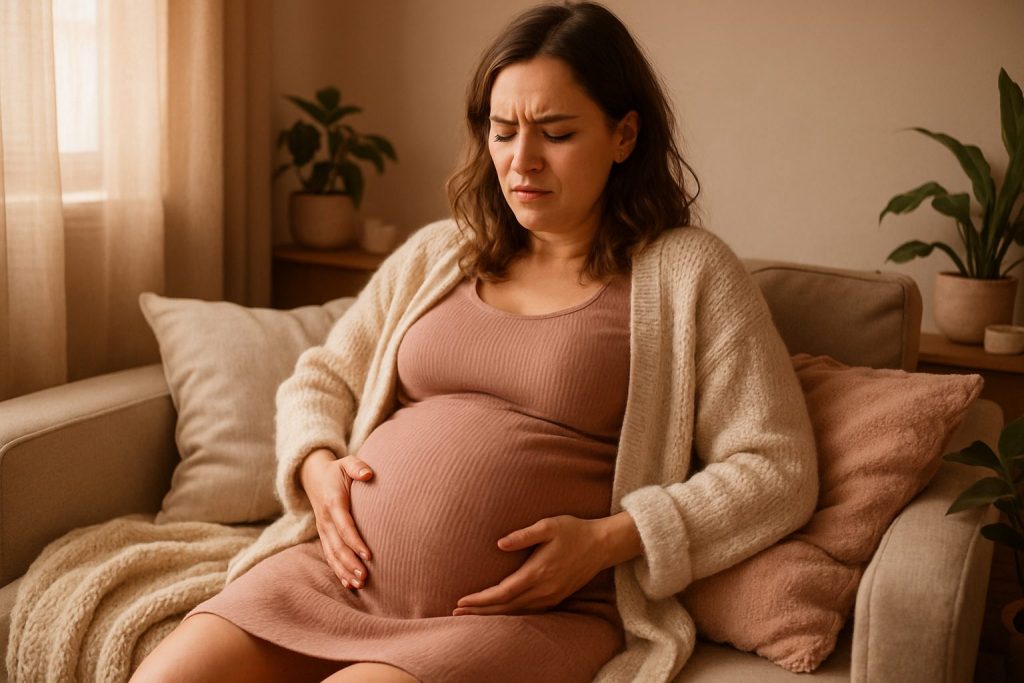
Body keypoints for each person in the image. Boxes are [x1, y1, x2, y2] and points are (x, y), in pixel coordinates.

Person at [131, 2, 818, 682]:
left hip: (521, 616)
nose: (522, 161)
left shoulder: (689, 274)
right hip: (333, 578)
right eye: (503, 131)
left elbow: (776, 466)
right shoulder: (441, 252)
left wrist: (610, 539)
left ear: (624, 135)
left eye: (556, 133)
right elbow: (323, 377)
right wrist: (316, 467)